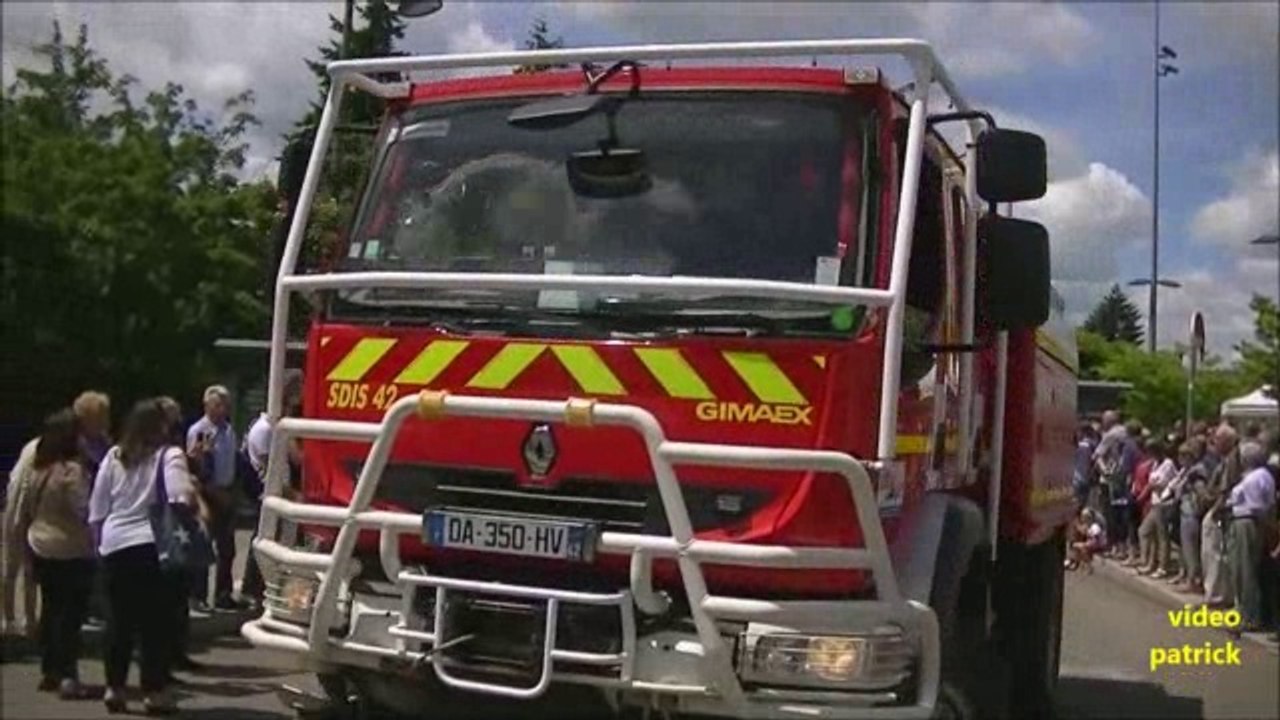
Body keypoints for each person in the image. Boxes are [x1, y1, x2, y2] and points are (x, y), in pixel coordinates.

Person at [89, 399, 195, 715]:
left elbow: (97, 507)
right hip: (153, 545)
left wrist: (99, 546)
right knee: (155, 624)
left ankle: (115, 687)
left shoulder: (114, 456)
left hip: (115, 544)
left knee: (118, 623)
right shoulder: (170, 455)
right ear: (161, 425)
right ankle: (154, 691)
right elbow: (180, 496)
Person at [16, 409, 95, 699]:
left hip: (39, 543)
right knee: (70, 615)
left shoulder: (39, 467)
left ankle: (49, 669)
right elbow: (84, 509)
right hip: (70, 547)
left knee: (50, 608)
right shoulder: (72, 471)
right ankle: (68, 675)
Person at [239, 372, 304, 606]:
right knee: (265, 543)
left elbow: (298, 459)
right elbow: (269, 471)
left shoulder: (280, 427)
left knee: (275, 544)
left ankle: (264, 591)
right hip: (271, 495)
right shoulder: (265, 430)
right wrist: (293, 495)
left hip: (280, 494)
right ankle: (253, 592)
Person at [156, 396, 209, 675]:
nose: (176, 423)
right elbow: (179, 491)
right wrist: (197, 501)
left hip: (170, 527)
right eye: (172, 418)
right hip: (168, 526)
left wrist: (194, 460)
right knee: (169, 598)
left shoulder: (172, 448)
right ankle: (164, 661)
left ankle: (176, 653)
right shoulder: (156, 449)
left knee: (178, 597)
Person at [186, 385, 244, 611]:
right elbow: (197, 467)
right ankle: (197, 595)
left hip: (227, 491)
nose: (223, 409)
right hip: (208, 493)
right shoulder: (200, 430)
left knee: (227, 548)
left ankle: (223, 594)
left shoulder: (229, 430)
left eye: (225, 405)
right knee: (204, 545)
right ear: (207, 406)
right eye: (218, 405)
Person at [1226, 441, 1276, 633]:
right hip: (1241, 520)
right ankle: (1244, 612)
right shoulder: (1253, 476)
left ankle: (1251, 617)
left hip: (1248, 522)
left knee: (1246, 570)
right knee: (1239, 569)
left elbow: (1258, 507)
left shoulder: (1257, 477)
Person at [2, 436, 40, 639]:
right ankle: (16, 619)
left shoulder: (33, 446)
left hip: (24, 508)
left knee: (23, 568)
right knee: (18, 567)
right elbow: (23, 483)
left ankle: (23, 619)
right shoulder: (38, 449)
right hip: (21, 507)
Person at [1202, 423, 1242, 608]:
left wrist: (1215, 512)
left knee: (1215, 553)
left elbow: (1227, 489)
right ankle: (1217, 595)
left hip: (1222, 512)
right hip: (1221, 510)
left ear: (1226, 441)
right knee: (1215, 554)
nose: (1214, 443)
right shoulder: (1227, 459)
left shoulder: (1232, 460)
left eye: (1217, 439)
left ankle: (1216, 597)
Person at [1135, 441, 1177, 577]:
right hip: (1154, 502)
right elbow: (1151, 482)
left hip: (1164, 503)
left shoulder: (1168, 464)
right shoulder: (1155, 464)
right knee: (1146, 532)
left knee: (1162, 535)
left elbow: (1161, 482)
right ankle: (1150, 563)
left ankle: (1163, 567)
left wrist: (1149, 488)